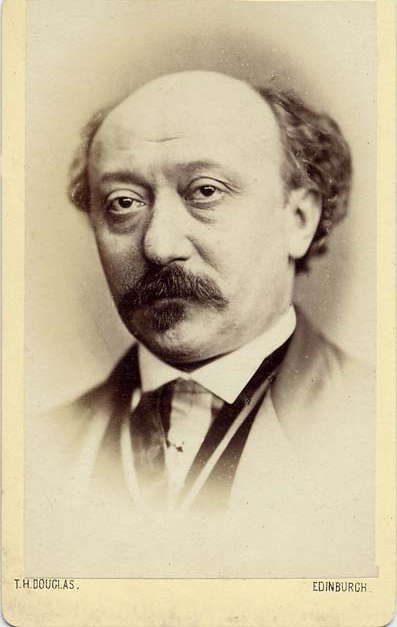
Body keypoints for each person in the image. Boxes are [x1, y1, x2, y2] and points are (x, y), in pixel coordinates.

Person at [29, 71, 375, 577]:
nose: (159, 245)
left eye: (205, 192)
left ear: (298, 218)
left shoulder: (375, 428)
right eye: (124, 202)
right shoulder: (31, 454)